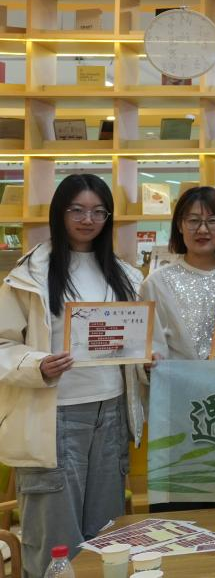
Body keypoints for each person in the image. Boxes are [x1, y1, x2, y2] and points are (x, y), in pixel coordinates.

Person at [0, 174, 144, 578]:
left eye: (98, 212)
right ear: (59, 213)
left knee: (106, 541)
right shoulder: (29, 274)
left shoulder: (125, 275)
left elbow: (134, 340)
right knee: (55, 543)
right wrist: (37, 365)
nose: (88, 219)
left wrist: (146, 358)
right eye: (77, 210)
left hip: (111, 413)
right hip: (55, 415)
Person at [144, 186, 215, 361]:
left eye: (212, 220)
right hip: (176, 378)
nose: (202, 230)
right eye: (194, 220)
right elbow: (149, 345)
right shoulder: (157, 282)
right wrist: (151, 360)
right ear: (180, 225)